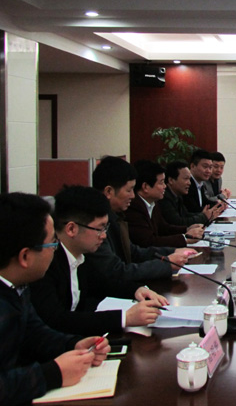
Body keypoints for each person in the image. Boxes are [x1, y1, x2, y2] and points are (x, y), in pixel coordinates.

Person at [0, 192, 110, 405]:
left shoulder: (18, 286)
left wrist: (73, 344)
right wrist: (53, 373)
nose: (56, 250)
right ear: (25, 257)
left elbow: (35, 333)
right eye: (52, 244)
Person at [30, 186, 171, 337]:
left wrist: (137, 290)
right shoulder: (44, 263)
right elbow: (56, 319)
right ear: (71, 229)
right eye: (99, 229)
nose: (103, 236)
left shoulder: (80, 255)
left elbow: (102, 284)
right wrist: (124, 318)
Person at [88, 156, 195, 281]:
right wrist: (166, 264)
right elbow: (115, 271)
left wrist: (173, 251)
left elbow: (134, 252)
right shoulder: (93, 224)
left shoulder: (116, 217)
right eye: (129, 190)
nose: (133, 196)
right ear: (108, 192)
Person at [124, 160, 205, 247]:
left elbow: (163, 228)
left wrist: (187, 229)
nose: (165, 186)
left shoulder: (153, 202)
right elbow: (149, 242)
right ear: (145, 187)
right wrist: (184, 238)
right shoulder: (134, 207)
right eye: (161, 182)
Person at [159, 160, 221, 227]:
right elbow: (178, 222)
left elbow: (185, 215)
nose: (189, 183)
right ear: (171, 180)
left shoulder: (177, 195)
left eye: (189, 179)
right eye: (186, 179)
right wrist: (204, 217)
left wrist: (205, 215)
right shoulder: (164, 198)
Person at [184, 149, 226, 215]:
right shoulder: (187, 184)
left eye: (210, 167)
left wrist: (219, 206)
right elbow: (193, 210)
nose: (208, 171)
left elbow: (205, 202)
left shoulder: (199, 183)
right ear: (192, 166)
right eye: (205, 167)